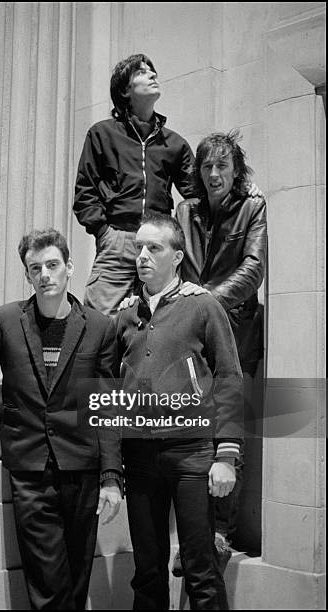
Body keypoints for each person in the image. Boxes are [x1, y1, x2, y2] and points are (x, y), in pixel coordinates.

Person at [0, 228, 123, 611]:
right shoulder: (5, 321)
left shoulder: (100, 327)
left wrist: (111, 477)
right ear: (27, 275)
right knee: (48, 584)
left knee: (76, 580)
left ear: (70, 267)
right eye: (35, 267)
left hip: (83, 469)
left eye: (53, 265)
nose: (45, 274)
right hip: (30, 470)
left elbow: (106, 407)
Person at [115, 212, 244, 610]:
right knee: (147, 571)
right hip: (138, 459)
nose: (143, 256)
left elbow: (229, 377)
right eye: (138, 248)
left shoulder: (202, 305)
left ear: (176, 256)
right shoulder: (126, 314)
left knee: (200, 567)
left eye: (154, 248)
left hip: (192, 456)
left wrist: (226, 454)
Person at [173, 129, 267, 571]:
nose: (213, 173)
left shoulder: (253, 207)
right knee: (193, 432)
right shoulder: (185, 210)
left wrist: (207, 303)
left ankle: (220, 533)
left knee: (229, 432)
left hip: (235, 331)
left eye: (222, 166)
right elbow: (180, 264)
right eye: (207, 166)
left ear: (236, 171)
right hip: (194, 335)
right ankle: (193, 532)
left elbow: (253, 269)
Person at [73, 53, 195, 316]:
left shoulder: (174, 143)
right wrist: (104, 233)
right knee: (99, 325)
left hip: (158, 244)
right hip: (116, 240)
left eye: (153, 71)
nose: (152, 75)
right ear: (125, 90)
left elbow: (199, 194)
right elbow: (85, 192)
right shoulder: (102, 134)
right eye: (141, 72)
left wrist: (242, 189)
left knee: (159, 321)